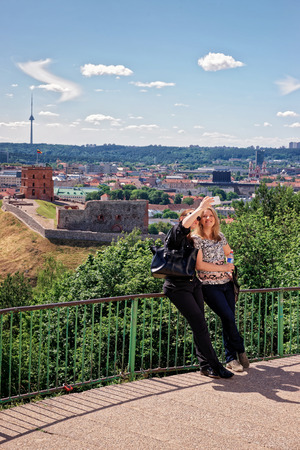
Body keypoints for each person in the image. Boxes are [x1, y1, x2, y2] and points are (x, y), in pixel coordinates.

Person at [163, 197, 234, 379]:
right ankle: (216, 366)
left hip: (193, 284)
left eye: (197, 218)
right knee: (201, 325)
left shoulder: (193, 241)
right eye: (192, 218)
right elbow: (184, 225)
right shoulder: (175, 237)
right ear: (182, 220)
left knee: (199, 326)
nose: (195, 220)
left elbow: (219, 255)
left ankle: (204, 366)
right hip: (177, 287)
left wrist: (227, 266)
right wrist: (199, 208)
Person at [192, 206, 249, 372]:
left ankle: (231, 359)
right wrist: (223, 267)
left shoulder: (220, 236)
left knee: (228, 320)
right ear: (200, 220)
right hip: (209, 286)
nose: (208, 218)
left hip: (226, 284)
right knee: (228, 317)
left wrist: (229, 265)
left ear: (215, 218)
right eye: (204, 216)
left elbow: (229, 252)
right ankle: (240, 348)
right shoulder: (197, 239)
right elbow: (199, 265)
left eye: (211, 216)